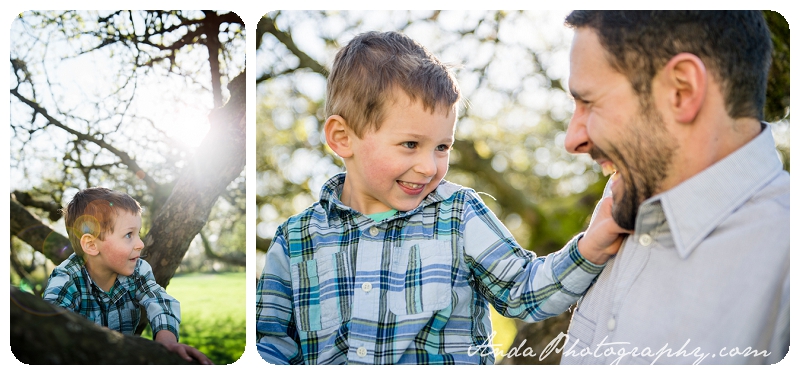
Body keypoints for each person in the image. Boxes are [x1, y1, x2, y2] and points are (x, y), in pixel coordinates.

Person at [256, 30, 628, 365]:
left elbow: (522, 290)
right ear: (342, 138)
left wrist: (590, 248)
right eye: (410, 144)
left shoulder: (457, 214)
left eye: (442, 147)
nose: (428, 167)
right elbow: (272, 346)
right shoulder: (295, 240)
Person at [559, 11, 788, 364]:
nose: (572, 140)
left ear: (682, 90)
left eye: (589, 102)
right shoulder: (623, 204)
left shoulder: (785, 267)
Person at [43, 187, 213, 365]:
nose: (140, 244)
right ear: (91, 245)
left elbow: (160, 301)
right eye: (128, 235)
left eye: (138, 233)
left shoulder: (137, 270)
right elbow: (52, 328)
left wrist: (166, 343)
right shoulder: (66, 280)